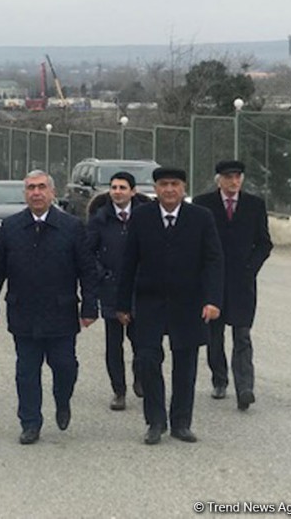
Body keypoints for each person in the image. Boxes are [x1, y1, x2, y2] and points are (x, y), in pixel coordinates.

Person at [0, 170, 97, 445]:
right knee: (26, 371)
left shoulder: (71, 226)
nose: (36, 192)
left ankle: (62, 400)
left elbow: (87, 270)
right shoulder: (11, 226)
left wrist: (90, 306)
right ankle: (30, 422)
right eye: (31, 188)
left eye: (41, 187)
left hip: (61, 311)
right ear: (25, 193)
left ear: (52, 192)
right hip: (24, 311)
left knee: (65, 366)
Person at [117, 166, 224, 445]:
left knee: (185, 364)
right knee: (148, 360)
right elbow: (128, 262)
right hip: (149, 301)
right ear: (155, 189)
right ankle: (155, 422)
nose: (169, 190)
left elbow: (214, 261)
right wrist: (122, 304)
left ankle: (181, 423)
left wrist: (213, 300)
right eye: (163, 184)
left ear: (183, 188)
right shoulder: (142, 217)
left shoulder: (201, 217)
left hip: (189, 303)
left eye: (174, 184)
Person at [193, 160, 273, 411]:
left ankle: (245, 388)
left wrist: (250, 268)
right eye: (228, 177)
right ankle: (219, 379)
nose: (233, 181)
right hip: (213, 282)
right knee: (214, 335)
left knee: (242, 335)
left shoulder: (254, 205)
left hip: (242, 282)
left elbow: (264, 243)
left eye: (237, 176)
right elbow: (196, 242)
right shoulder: (203, 204)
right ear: (219, 179)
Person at [86, 171, 148, 411]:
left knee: (141, 341)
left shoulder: (145, 217)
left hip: (140, 289)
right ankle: (118, 390)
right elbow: (88, 252)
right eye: (114, 187)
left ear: (133, 191)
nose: (118, 192)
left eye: (123, 187)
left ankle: (140, 378)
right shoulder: (100, 219)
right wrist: (102, 274)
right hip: (111, 288)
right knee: (114, 344)